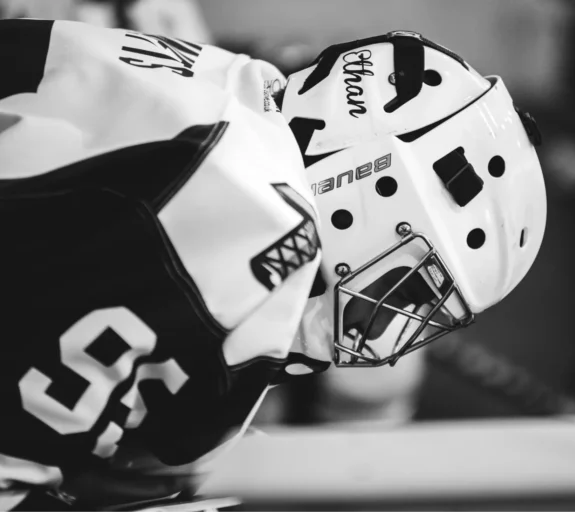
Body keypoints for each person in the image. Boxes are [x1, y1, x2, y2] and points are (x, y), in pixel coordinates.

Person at [0, 19, 547, 511]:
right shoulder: (247, 213)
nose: (386, 324)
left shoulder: (224, 87)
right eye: (409, 291)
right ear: (375, 183)